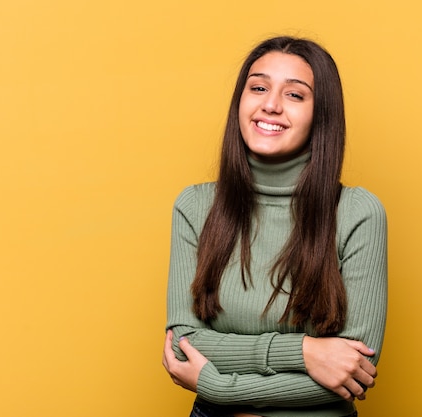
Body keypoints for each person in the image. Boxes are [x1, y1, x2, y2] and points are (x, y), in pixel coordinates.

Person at [162, 36, 388, 417]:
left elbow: (352, 372)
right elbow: (184, 344)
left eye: (295, 95)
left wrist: (216, 385)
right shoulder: (196, 206)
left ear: (322, 115)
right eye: (259, 87)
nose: (271, 104)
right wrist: (304, 351)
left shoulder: (358, 212)